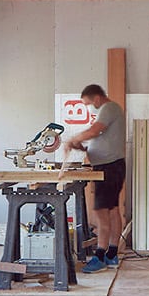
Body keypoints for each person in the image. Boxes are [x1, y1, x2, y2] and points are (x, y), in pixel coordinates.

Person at [63, 84, 126, 273]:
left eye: (89, 103)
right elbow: (96, 138)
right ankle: (112, 254)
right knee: (112, 210)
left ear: (97, 98)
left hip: (109, 167)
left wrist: (72, 139)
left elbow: (94, 131)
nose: (91, 107)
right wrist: (80, 146)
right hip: (111, 166)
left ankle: (100, 256)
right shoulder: (109, 110)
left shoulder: (109, 108)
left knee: (101, 212)